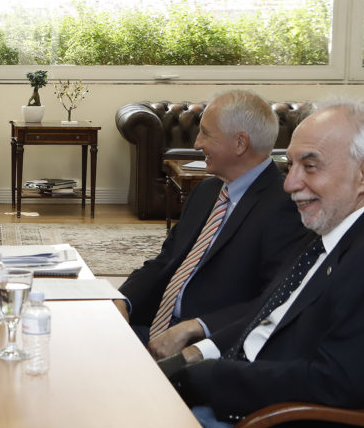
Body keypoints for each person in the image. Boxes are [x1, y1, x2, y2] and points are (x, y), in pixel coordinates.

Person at [162, 99, 364, 428]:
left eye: (310, 166)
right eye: (290, 165)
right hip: (238, 400)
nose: (290, 184)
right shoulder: (330, 228)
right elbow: (267, 313)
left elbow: (337, 382)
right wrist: (196, 356)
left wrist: (209, 378)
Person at [119, 90, 308, 358]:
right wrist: (123, 300)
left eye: (206, 134)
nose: (197, 144)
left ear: (240, 143)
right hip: (154, 326)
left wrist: (197, 327)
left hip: (207, 347)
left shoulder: (286, 207)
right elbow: (165, 261)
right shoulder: (206, 191)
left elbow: (276, 300)